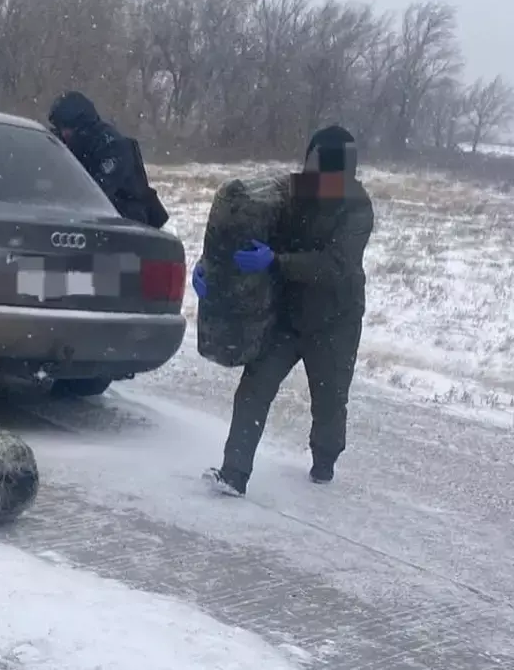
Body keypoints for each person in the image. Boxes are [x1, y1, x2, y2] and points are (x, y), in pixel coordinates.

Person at [197, 125, 373, 498]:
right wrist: (210, 267)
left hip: (334, 321)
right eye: (309, 162)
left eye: (320, 165)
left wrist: (276, 261)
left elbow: (336, 265)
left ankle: (324, 462)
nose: (312, 173)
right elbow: (247, 227)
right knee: (253, 391)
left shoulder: (356, 206)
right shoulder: (291, 193)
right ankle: (234, 473)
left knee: (328, 400)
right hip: (288, 315)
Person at [48, 90, 170, 229]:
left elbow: (98, 191)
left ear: (80, 124)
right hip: (94, 220)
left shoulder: (111, 146)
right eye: (60, 128)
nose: (64, 134)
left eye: (67, 127)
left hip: (129, 221)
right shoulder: (70, 144)